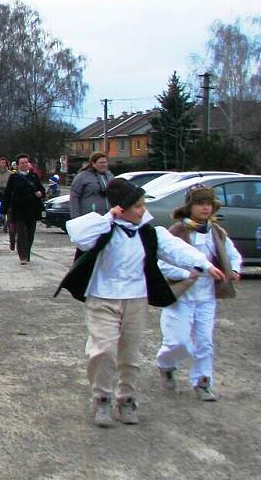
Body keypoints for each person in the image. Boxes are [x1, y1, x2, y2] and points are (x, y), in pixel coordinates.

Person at [56, 178, 225, 427]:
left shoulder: (149, 232)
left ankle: (126, 399)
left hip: (136, 298)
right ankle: (101, 398)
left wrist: (205, 264)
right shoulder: (104, 229)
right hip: (103, 297)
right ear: (121, 208)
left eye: (142, 205)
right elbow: (78, 234)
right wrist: (109, 217)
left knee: (129, 353)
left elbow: (176, 249)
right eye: (137, 206)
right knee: (103, 350)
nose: (142, 210)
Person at [155, 185, 242, 401]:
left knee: (204, 341)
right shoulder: (176, 232)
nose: (205, 208)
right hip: (181, 296)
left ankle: (202, 382)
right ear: (189, 206)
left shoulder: (216, 232)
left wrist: (234, 269)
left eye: (209, 204)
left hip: (206, 297)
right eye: (200, 204)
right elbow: (160, 264)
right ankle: (166, 365)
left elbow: (232, 254)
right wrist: (186, 273)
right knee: (179, 342)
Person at [1, 154, 45, 264]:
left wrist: (41, 193)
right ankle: (23, 256)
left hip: (32, 210)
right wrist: (3, 210)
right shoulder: (14, 177)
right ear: (18, 165)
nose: (24, 164)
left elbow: (42, 190)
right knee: (21, 233)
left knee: (30, 233)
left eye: (26, 162)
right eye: (22, 163)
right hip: (18, 209)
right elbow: (7, 194)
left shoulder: (34, 176)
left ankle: (27, 252)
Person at [69, 152, 114, 219]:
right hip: (89, 217)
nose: (104, 165)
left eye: (105, 162)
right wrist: (75, 217)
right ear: (93, 163)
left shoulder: (109, 176)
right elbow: (74, 197)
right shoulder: (82, 177)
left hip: (107, 217)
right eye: (101, 163)